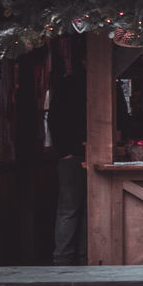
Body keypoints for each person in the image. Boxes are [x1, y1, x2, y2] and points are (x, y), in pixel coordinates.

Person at [48, 57, 88, 265]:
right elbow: (54, 119)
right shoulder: (68, 85)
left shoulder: (67, 84)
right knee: (71, 209)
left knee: (85, 209)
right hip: (73, 155)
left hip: (88, 154)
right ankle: (65, 258)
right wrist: (65, 151)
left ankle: (81, 257)